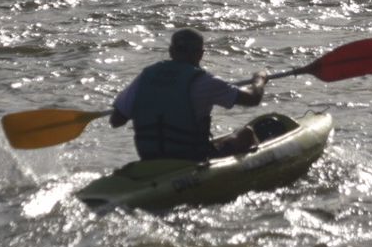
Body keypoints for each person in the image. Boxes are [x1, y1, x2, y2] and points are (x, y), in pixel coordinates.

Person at [108, 28, 266, 161]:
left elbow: (116, 120)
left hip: (151, 158)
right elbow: (253, 98)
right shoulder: (204, 82)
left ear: (171, 52)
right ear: (200, 54)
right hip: (192, 158)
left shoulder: (145, 77)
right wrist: (259, 80)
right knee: (246, 134)